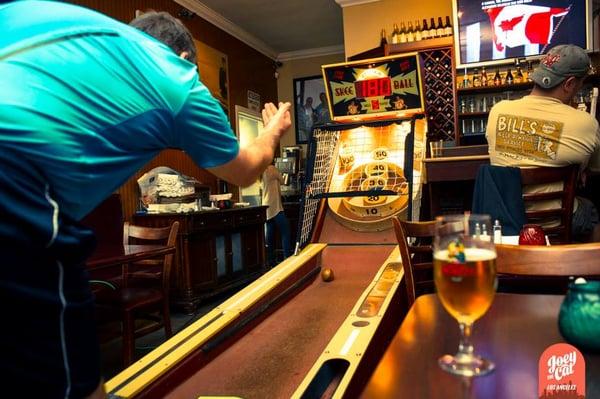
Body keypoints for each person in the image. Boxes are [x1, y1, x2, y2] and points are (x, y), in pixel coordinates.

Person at [0, 3, 290, 398]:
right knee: (77, 385)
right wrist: (272, 133)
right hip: (16, 183)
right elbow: (244, 170)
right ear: (186, 56)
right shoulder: (179, 78)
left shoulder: (57, 21)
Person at [485, 44, 600, 240]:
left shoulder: (497, 111)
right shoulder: (585, 122)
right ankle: (586, 266)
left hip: (508, 221)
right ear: (570, 83)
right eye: (581, 83)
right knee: (590, 210)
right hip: (557, 221)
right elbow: (595, 170)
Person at [261, 163, 292, 267]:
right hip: (275, 207)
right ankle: (287, 258)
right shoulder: (272, 169)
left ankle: (271, 261)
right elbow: (284, 181)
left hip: (266, 207)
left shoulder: (262, 171)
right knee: (286, 231)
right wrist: (285, 174)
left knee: (269, 237)